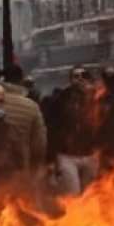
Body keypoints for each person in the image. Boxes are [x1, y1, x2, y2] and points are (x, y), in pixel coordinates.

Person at [44, 65, 101, 196]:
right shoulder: (61, 100)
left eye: (83, 76)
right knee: (72, 194)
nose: (80, 79)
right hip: (67, 156)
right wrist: (51, 159)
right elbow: (51, 127)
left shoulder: (97, 98)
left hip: (90, 155)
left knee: (90, 194)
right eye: (76, 76)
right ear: (70, 80)